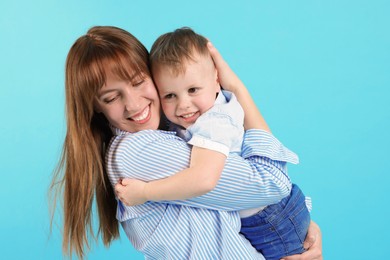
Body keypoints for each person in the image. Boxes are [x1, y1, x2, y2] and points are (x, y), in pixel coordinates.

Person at [50, 25, 322, 259]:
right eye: (111, 98)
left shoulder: (180, 128)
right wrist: (237, 89)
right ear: (95, 107)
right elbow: (272, 183)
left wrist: (300, 226)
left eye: (138, 82)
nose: (133, 105)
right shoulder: (138, 151)